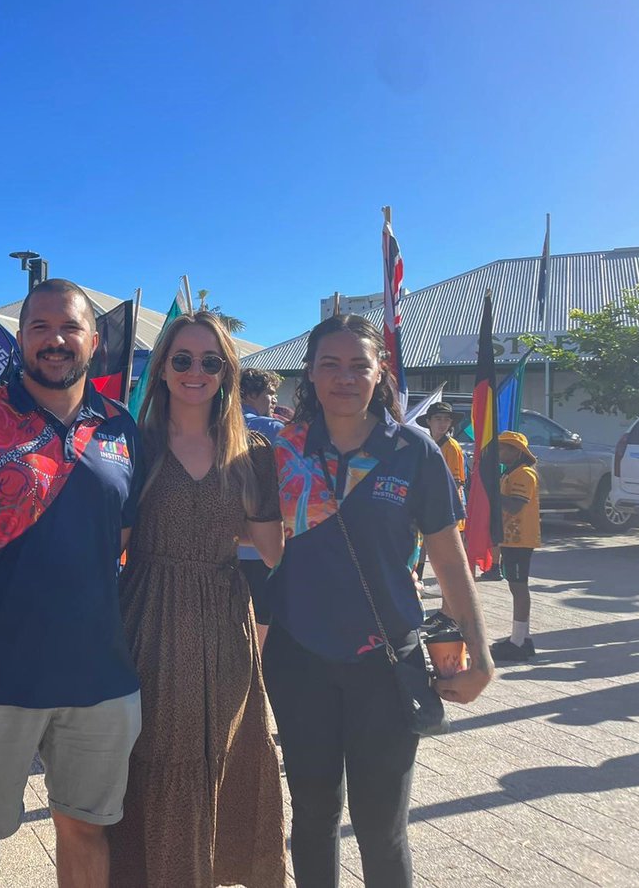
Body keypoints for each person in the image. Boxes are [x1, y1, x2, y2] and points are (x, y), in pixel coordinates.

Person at [0, 279, 142, 888]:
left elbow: (121, 533)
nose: (55, 340)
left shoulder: (122, 428)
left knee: (86, 827)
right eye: (39, 327)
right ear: (21, 340)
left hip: (100, 672)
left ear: (93, 339)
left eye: (68, 327)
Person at [264, 315, 494, 887]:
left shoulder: (412, 451)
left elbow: (448, 557)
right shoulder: (278, 452)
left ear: (379, 373)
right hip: (299, 661)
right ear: (309, 375)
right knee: (313, 817)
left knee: (381, 825)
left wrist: (481, 653)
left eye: (358, 365)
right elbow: (247, 542)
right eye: (329, 365)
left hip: (386, 664)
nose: (345, 377)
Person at [109, 312, 287, 888]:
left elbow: (271, 548)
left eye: (210, 361)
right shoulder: (136, 447)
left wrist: (316, 506)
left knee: (228, 751)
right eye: (181, 359)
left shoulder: (252, 453)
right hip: (148, 618)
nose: (194, 371)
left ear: (227, 373)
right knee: (156, 757)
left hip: (224, 620)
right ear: (161, 368)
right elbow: (112, 544)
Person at [239, 367, 285, 645]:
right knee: (262, 625)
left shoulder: (214, 424)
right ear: (251, 393)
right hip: (265, 548)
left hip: (222, 548)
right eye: (269, 393)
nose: (274, 401)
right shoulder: (274, 429)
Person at [490, 430, 541, 662]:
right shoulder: (509, 473)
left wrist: (490, 493)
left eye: (502, 448)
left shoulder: (524, 474)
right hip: (511, 538)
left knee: (519, 587)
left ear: (516, 451)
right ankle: (523, 637)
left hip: (520, 539)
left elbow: (515, 506)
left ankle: (518, 642)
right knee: (515, 586)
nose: (498, 452)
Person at [414, 402, 466, 621]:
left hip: (446, 510)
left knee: (447, 561)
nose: (442, 423)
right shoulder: (429, 444)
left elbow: (455, 482)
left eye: (446, 420)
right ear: (429, 421)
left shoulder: (451, 447)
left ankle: (449, 610)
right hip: (428, 506)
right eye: (438, 419)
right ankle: (422, 593)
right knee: (423, 552)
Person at [240, 367, 286, 440]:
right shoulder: (273, 427)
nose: (275, 400)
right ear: (252, 395)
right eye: (270, 393)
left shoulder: (220, 422)